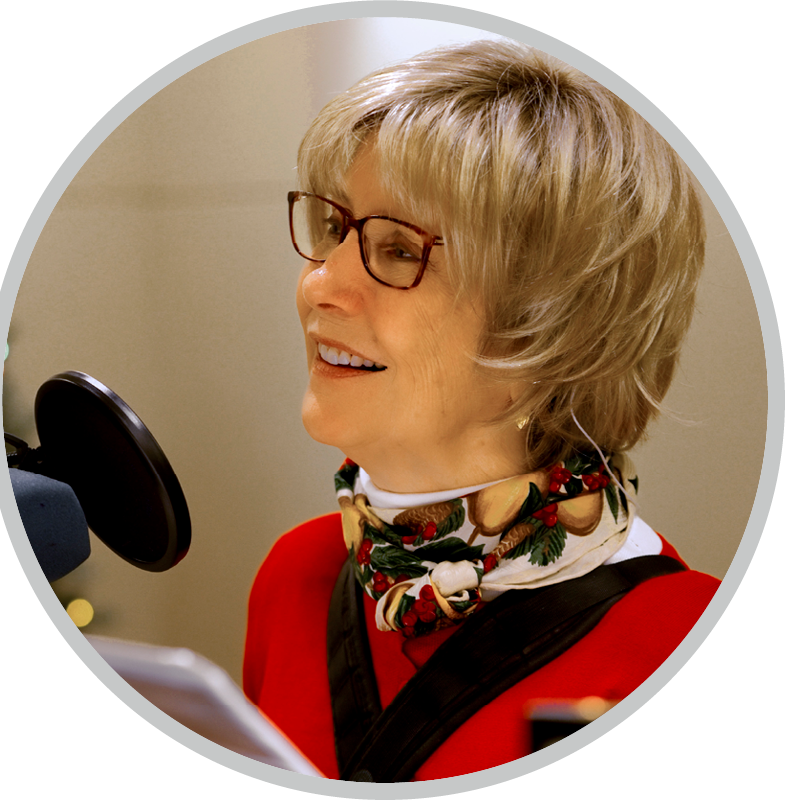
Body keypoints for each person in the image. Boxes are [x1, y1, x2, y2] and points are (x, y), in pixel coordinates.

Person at [242, 39, 719, 781]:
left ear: (548, 332)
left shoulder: (688, 645)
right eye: (335, 229)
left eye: (398, 251)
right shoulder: (294, 577)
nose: (319, 285)